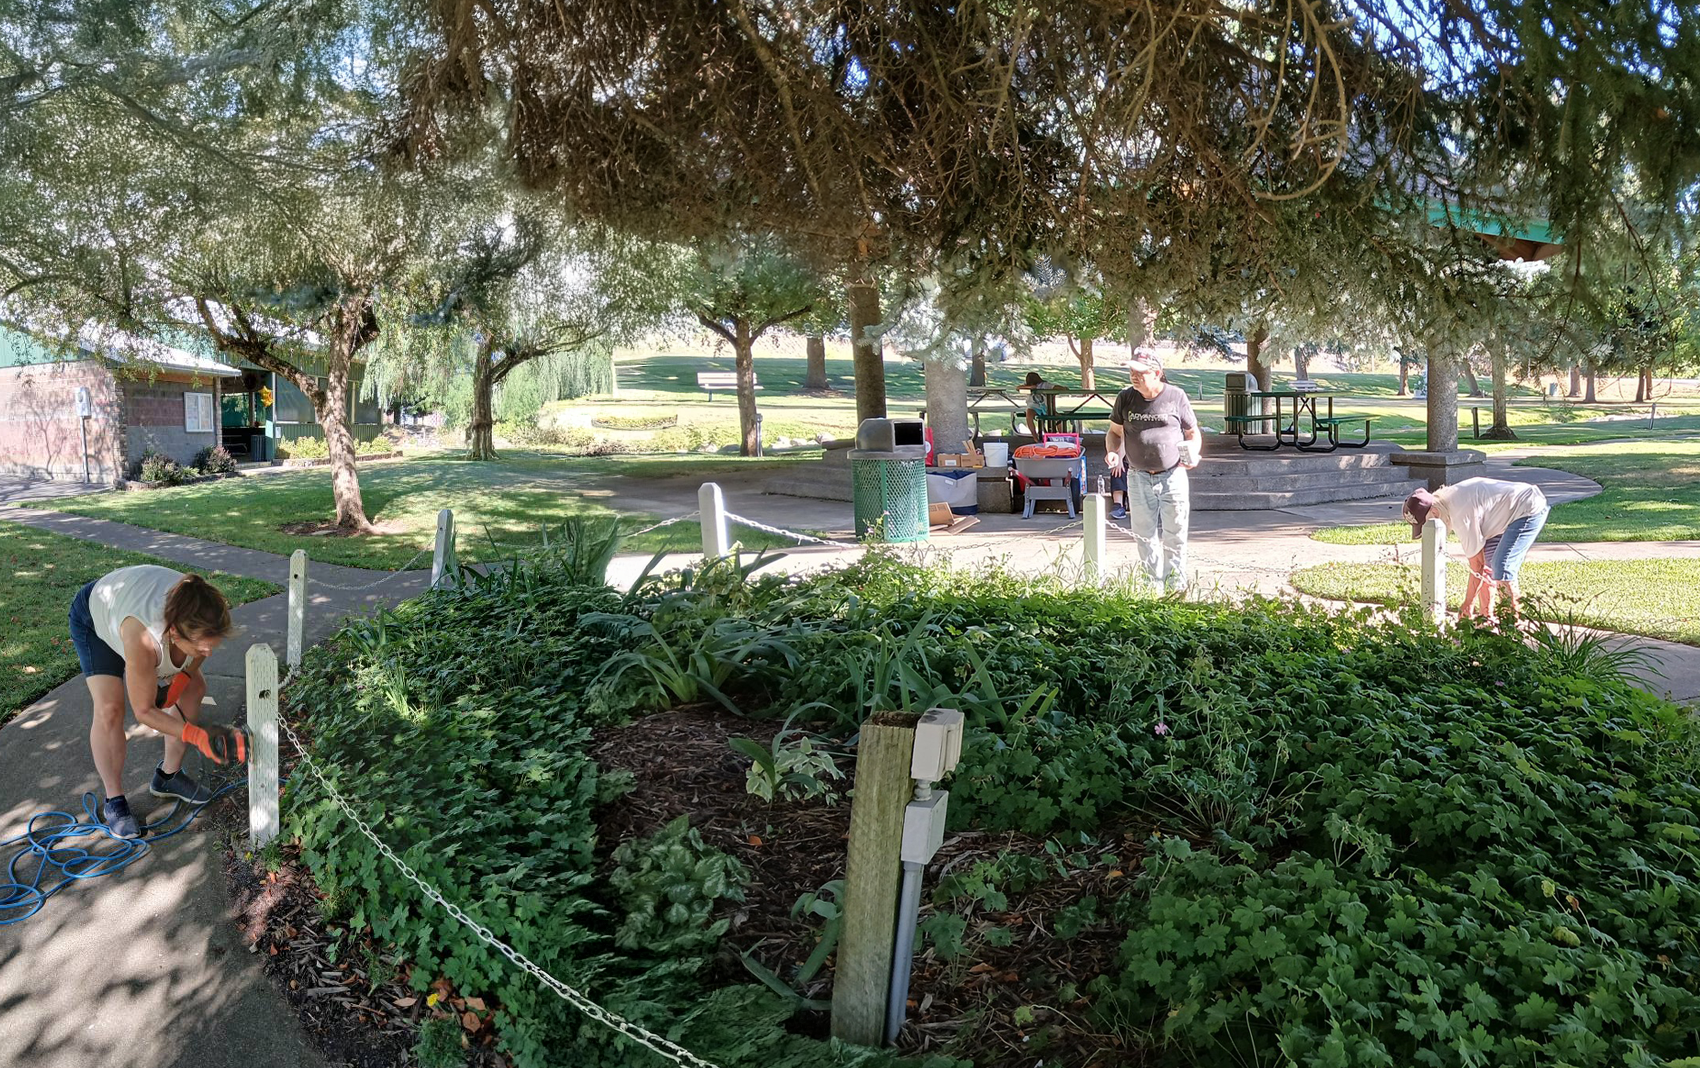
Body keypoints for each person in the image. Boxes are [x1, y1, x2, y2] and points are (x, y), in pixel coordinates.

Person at [68, 565, 247, 838]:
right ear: (175, 633)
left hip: (131, 604)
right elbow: (144, 711)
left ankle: (168, 777)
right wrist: (196, 735)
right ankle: (114, 802)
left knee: (196, 686)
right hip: (95, 618)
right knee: (110, 709)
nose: (209, 651)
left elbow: (195, 660)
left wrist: (177, 687)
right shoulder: (144, 640)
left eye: (214, 642)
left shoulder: (205, 616)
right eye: (202, 645)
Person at [1106, 351, 1203, 591]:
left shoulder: (1175, 396)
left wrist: (1193, 453)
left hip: (1173, 475)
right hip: (1137, 477)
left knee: (1175, 534)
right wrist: (1112, 451)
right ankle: (1151, 587)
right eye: (1131, 372)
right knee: (1143, 535)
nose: (1134, 377)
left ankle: (1176, 588)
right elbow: (1114, 432)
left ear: (1157, 373)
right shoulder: (1125, 398)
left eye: (1140, 372)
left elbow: (1193, 433)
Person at [1403, 478, 1549, 622]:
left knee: (1501, 566)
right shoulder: (1450, 502)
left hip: (1528, 508)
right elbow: (1483, 569)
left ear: (1434, 512)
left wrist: (1468, 603)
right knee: (1491, 566)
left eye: (1425, 524)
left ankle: (1513, 624)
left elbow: (1477, 566)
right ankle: (1487, 617)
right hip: (1505, 515)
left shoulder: (1459, 512)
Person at [1017, 371, 1055, 437]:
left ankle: (1061, 435)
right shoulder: (1026, 386)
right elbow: (1018, 388)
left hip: (1046, 406)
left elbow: (1057, 387)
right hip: (1033, 407)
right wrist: (1030, 387)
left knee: (1057, 417)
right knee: (1029, 416)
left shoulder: (1045, 385)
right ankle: (1034, 435)